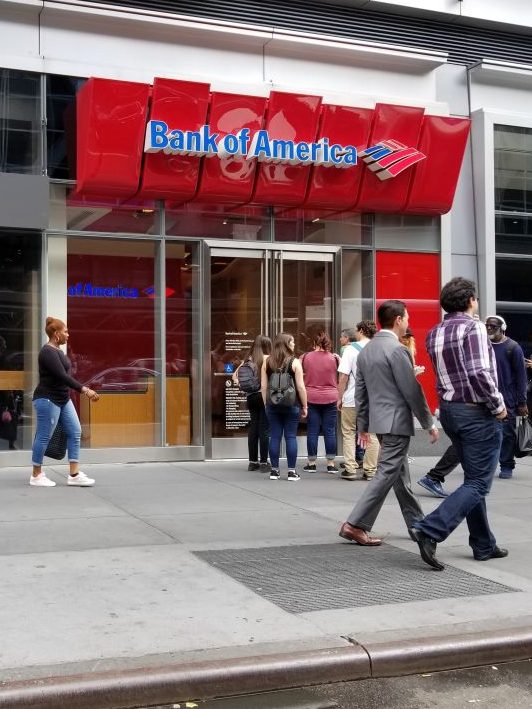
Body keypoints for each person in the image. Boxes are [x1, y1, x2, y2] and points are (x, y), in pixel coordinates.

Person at [411, 278, 507, 570]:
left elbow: (441, 378)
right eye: (475, 298)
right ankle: (430, 529)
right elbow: (479, 372)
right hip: (476, 412)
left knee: (472, 479)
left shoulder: (435, 332)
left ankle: (483, 544)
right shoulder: (473, 327)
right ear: (470, 300)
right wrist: (498, 406)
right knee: (479, 482)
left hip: (451, 410)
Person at [339, 301, 438, 546]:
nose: (408, 322)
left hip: (379, 421)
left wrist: (363, 424)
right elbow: (411, 390)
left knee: (398, 473)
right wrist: (429, 422)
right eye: (407, 318)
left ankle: (417, 524)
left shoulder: (366, 350)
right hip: (395, 421)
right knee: (387, 473)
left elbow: (360, 392)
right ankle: (354, 524)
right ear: (397, 320)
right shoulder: (397, 350)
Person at [30, 317, 100, 487]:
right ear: (56, 334)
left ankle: (74, 475)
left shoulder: (59, 352)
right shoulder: (47, 352)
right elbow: (62, 376)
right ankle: (36, 475)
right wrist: (85, 390)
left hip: (63, 398)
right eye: (66, 331)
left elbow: (66, 375)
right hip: (47, 399)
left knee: (75, 431)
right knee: (44, 436)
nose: (68, 334)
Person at [485, 315, 529, 479]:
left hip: (507, 399)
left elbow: (521, 376)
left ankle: (506, 465)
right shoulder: (484, 346)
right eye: (487, 326)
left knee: (508, 434)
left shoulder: (513, 347)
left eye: (493, 326)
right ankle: (487, 465)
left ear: (502, 328)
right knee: (486, 434)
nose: (489, 329)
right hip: (488, 398)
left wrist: (521, 401)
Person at [337, 320, 380, 481]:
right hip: (374, 399)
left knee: (348, 432)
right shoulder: (378, 349)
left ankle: (351, 468)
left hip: (352, 398)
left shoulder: (350, 350)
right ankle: (370, 470)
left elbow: (343, 377)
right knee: (372, 434)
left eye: (356, 330)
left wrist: (339, 397)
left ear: (361, 331)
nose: (355, 333)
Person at [261, 333, 307, 481]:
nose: (294, 344)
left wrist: (266, 403)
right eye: (292, 342)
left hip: (272, 405)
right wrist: (305, 405)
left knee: (274, 436)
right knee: (290, 436)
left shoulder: (267, 361)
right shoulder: (295, 362)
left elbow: (263, 386)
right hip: (291, 404)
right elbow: (300, 387)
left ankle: (274, 471)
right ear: (287, 344)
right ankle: (292, 472)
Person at [300, 331, 339, 473]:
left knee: (312, 430)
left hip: (311, 397)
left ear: (314, 343)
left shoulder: (305, 357)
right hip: (331, 397)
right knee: (330, 431)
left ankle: (311, 463)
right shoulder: (334, 358)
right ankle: (331, 463)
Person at [233, 335, 272, 472]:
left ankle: (252, 462)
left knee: (253, 427)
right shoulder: (268, 358)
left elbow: (235, 377)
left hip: (250, 397)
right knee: (264, 429)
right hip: (263, 397)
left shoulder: (248, 360)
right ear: (267, 346)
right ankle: (264, 462)